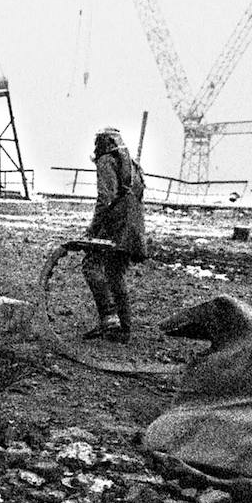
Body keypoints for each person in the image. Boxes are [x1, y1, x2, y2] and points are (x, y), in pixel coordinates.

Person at [82, 126, 146, 343]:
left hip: (117, 224)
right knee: (115, 273)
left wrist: (91, 231)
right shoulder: (132, 164)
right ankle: (124, 330)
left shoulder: (107, 160)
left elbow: (105, 198)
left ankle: (109, 317)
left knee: (90, 264)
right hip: (134, 223)